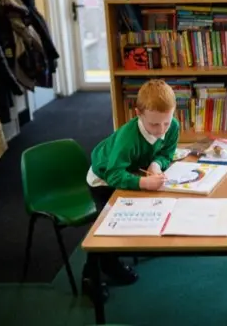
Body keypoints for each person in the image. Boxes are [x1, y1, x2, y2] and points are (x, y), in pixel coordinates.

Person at [82, 79, 179, 301]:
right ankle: (92, 275)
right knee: (109, 225)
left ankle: (110, 261)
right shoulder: (128, 138)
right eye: (154, 125)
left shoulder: (171, 126)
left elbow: (166, 153)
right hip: (103, 179)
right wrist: (143, 183)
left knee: (132, 216)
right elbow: (114, 174)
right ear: (138, 114)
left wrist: (156, 165)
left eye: (166, 122)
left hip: (131, 171)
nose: (161, 130)